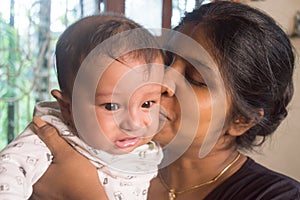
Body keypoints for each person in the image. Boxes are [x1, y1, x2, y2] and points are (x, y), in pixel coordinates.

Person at [9, 1, 300, 200]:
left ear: (241, 120)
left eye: (194, 78)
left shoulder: (275, 196)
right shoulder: (87, 151)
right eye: (167, 59)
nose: (161, 82)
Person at [0, 14, 164, 200]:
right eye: (111, 106)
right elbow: (7, 173)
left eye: (146, 104)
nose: (133, 123)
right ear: (67, 108)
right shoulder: (50, 139)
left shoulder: (148, 150)